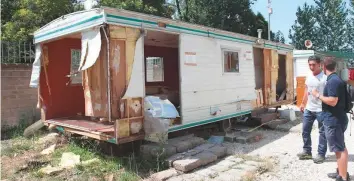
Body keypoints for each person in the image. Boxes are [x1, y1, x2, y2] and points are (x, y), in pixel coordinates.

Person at [311, 57, 350, 181]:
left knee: (340, 148)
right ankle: (341, 172)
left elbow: (333, 101)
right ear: (335, 67)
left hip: (334, 120)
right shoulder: (335, 79)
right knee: (338, 147)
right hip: (337, 118)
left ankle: (343, 177)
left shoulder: (333, 81)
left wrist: (317, 95)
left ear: (323, 66)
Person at [297, 55, 327, 164]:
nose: (311, 67)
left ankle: (321, 154)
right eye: (309, 64)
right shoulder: (309, 76)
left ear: (320, 64)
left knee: (322, 133)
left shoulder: (325, 78)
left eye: (313, 64)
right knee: (305, 130)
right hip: (309, 109)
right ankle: (307, 151)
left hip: (321, 110)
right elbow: (306, 91)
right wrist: (302, 103)